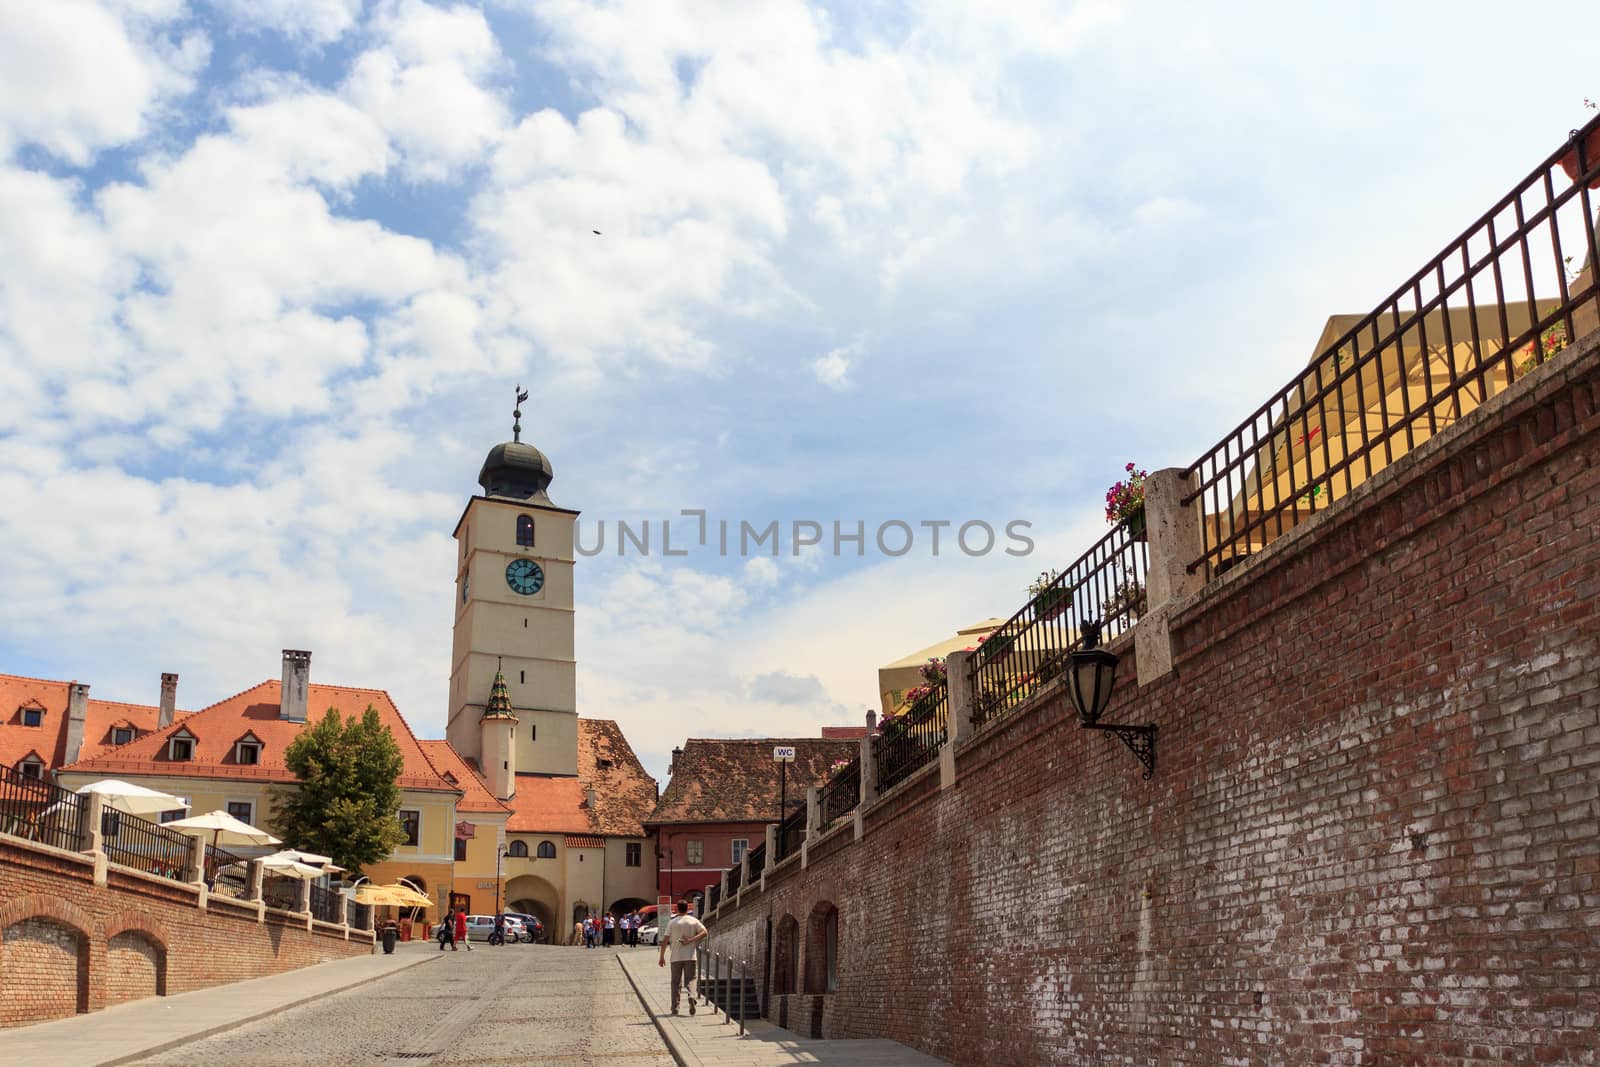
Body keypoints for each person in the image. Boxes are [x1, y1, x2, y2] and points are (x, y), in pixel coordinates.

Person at [658, 900, 708, 1016]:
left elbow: (665, 940)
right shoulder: (693, 921)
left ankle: (675, 1008)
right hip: (690, 956)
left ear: (676, 909)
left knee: (675, 982)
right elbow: (705, 932)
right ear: (687, 909)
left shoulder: (672, 922)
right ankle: (691, 996)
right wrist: (691, 940)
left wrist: (661, 957)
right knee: (691, 979)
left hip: (675, 957)